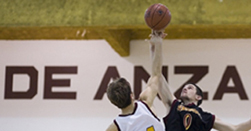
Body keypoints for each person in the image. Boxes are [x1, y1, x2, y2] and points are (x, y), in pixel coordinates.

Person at [151, 30, 251, 131]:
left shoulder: (205, 117)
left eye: (190, 88)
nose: (185, 89)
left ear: (198, 97)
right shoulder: (173, 105)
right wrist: (157, 45)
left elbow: (235, 129)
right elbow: (157, 75)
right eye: (184, 88)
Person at [105, 31, 165, 131]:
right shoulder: (145, 102)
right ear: (131, 95)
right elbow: (156, 73)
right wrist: (158, 43)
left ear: (113, 103)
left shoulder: (116, 126)